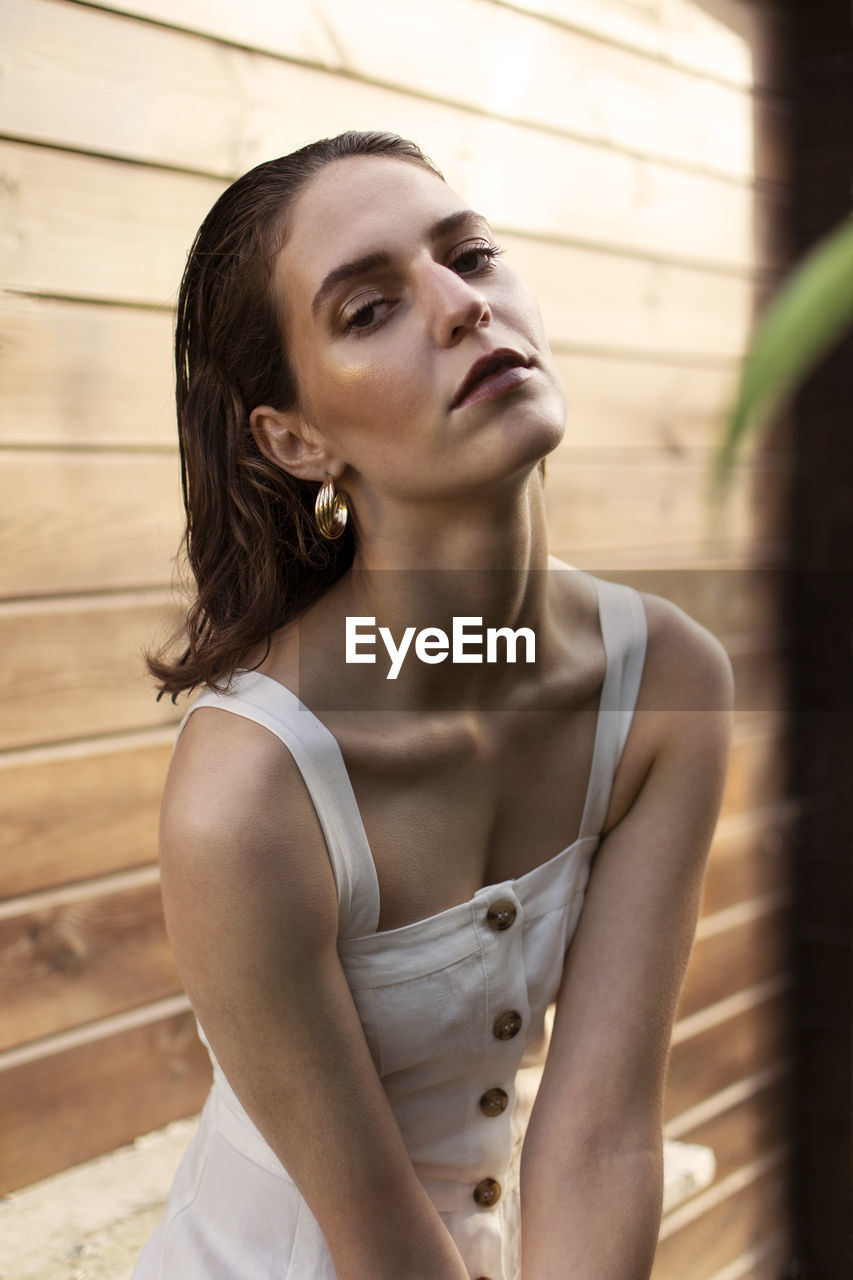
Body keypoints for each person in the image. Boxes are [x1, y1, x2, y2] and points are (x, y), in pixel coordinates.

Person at [133, 131, 733, 1280]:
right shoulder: (249, 786)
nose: (464, 306)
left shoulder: (667, 684)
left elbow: (601, 1130)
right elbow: (380, 1248)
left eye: (473, 255)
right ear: (297, 439)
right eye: (369, 309)